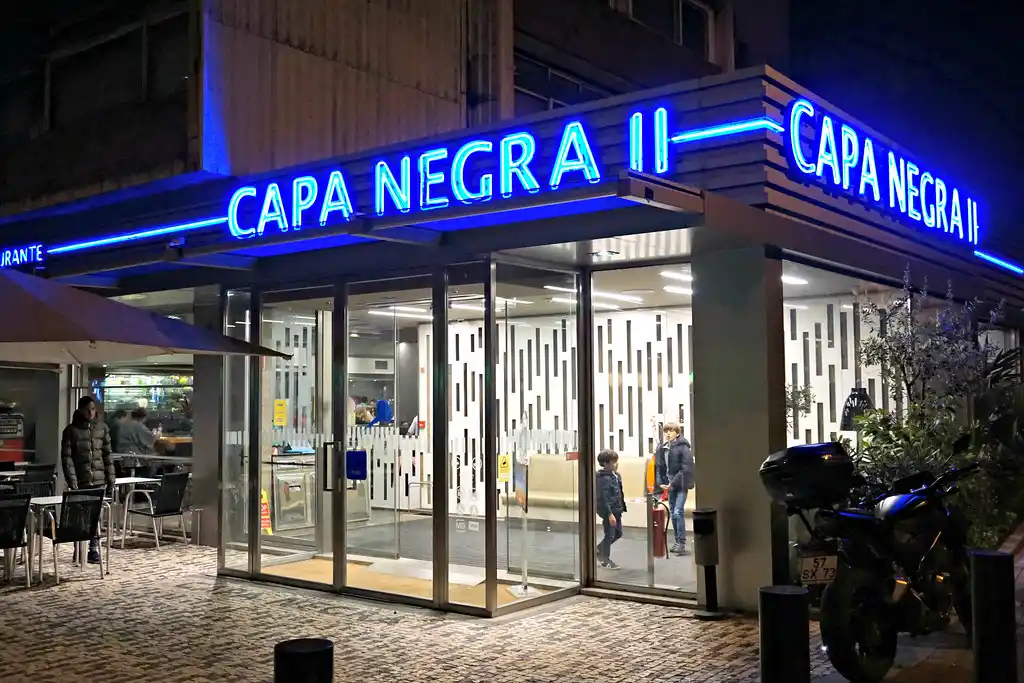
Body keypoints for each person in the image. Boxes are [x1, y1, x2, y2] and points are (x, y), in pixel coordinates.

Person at [61, 396, 115, 564]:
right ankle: (79, 549)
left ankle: (92, 549)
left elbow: (107, 456)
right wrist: (72, 480)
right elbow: (67, 458)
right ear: (80, 410)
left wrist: (111, 478)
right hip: (81, 480)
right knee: (80, 516)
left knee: (96, 517)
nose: (91, 413)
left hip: (99, 481)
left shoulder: (102, 428)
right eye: (87, 410)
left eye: (92, 409)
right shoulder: (71, 431)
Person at [655, 422, 694, 555]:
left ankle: (681, 542)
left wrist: (672, 483)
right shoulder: (662, 448)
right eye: (666, 431)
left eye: (671, 431)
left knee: (678, 511)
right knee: (672, 512)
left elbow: (686, 468)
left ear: (677, 433)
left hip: (681, 484)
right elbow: (659, 467)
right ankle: (678, 541)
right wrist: (660, 483)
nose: (668, 433)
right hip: (669, 484)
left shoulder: (683, 447)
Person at [595, 449, 626, 570]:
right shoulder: (602, 478)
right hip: (609, 511)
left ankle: (598, 549)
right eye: (613, 462)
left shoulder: (616, 475)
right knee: (610, 535)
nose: (616, 464)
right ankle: (604, 559)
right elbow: (603, 498)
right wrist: (609, 514)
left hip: (617, 509)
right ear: (606, 464)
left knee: (618, 533)